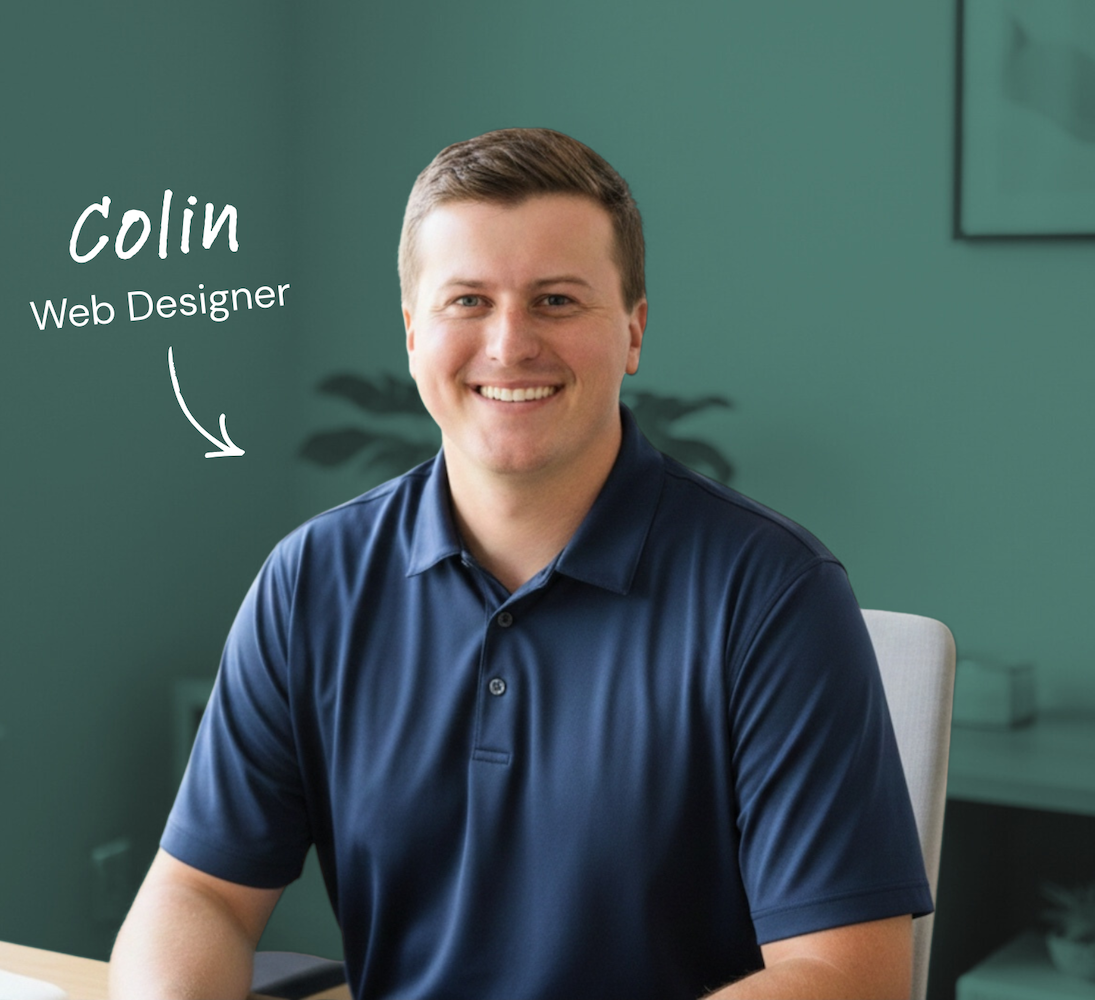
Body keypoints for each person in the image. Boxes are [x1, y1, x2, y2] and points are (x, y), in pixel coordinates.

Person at [111, 128, 932, 1000]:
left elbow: (847, 975)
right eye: (467, 300)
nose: (508, 345)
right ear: (413, 334)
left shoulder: (772, 593)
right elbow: (198, 894)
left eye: (556, 301)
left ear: (632, 331)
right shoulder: (312, 579)